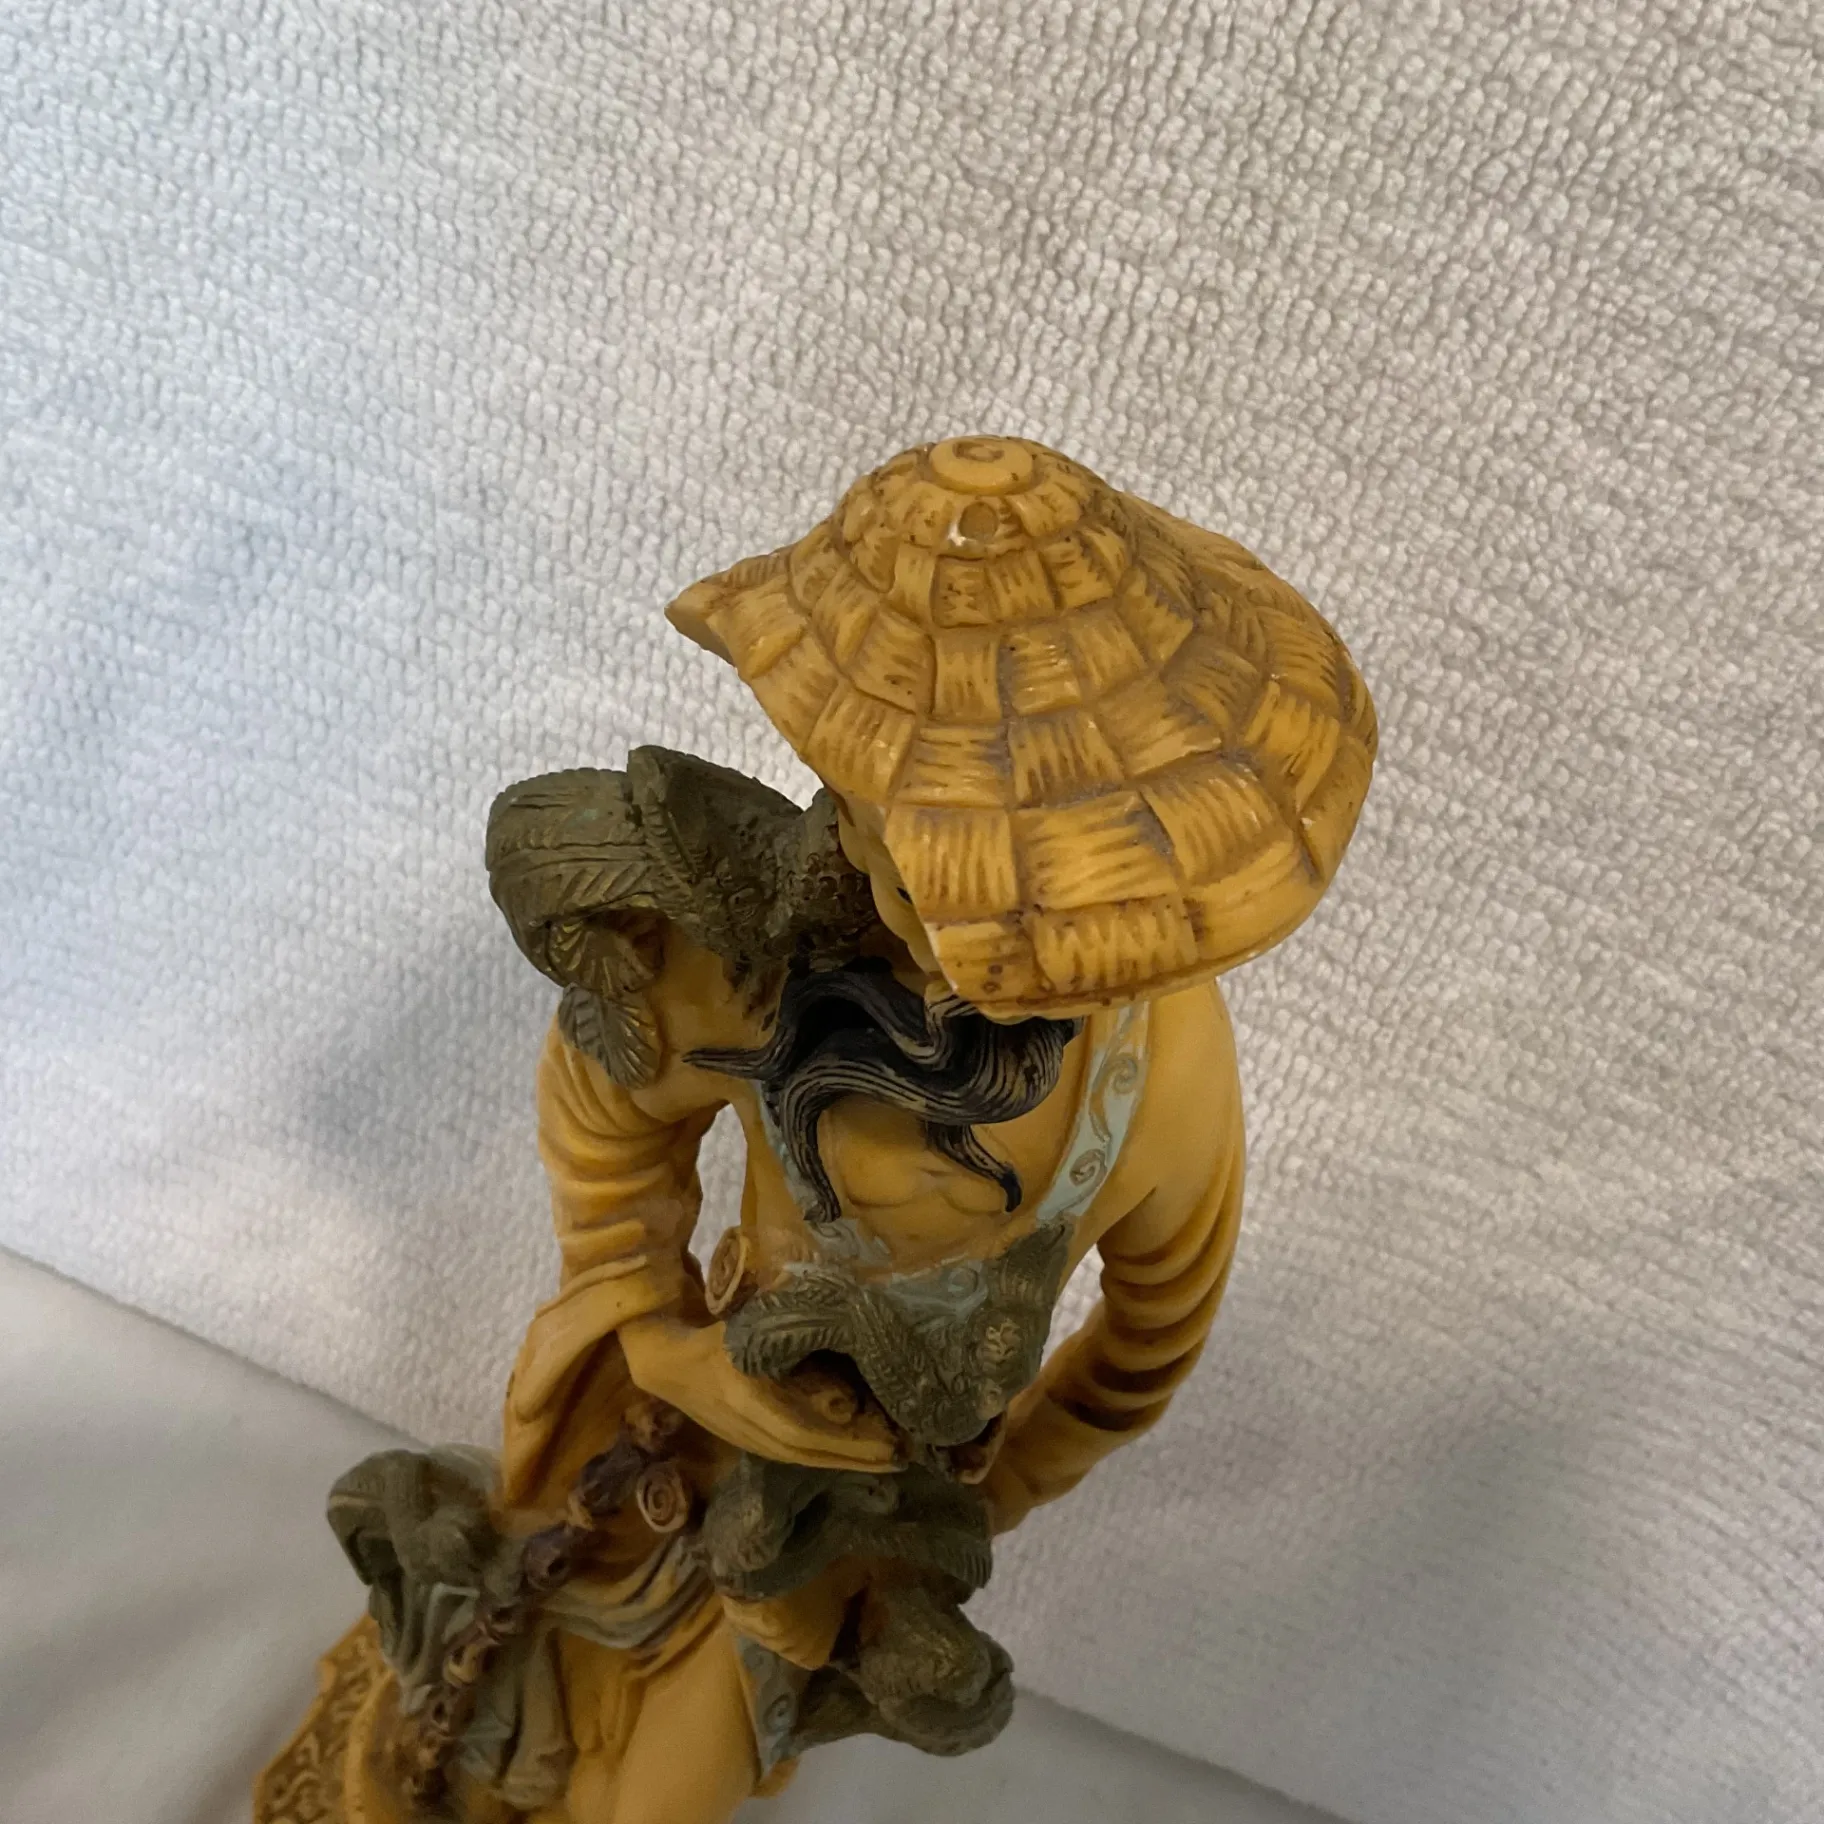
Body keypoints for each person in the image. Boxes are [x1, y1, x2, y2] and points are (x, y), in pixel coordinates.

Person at [256, 436, 1375, 1824]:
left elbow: (1142, 1357)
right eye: (889, 849)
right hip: (678, 1409)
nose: (915, 927)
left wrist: (961, 1506)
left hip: (849, 1524)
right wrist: (655, 1333)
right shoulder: (773, 951)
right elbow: (605, 1104)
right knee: (516, 1673)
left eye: (979, 909)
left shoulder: (1164, 1082)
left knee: (653, 1800)